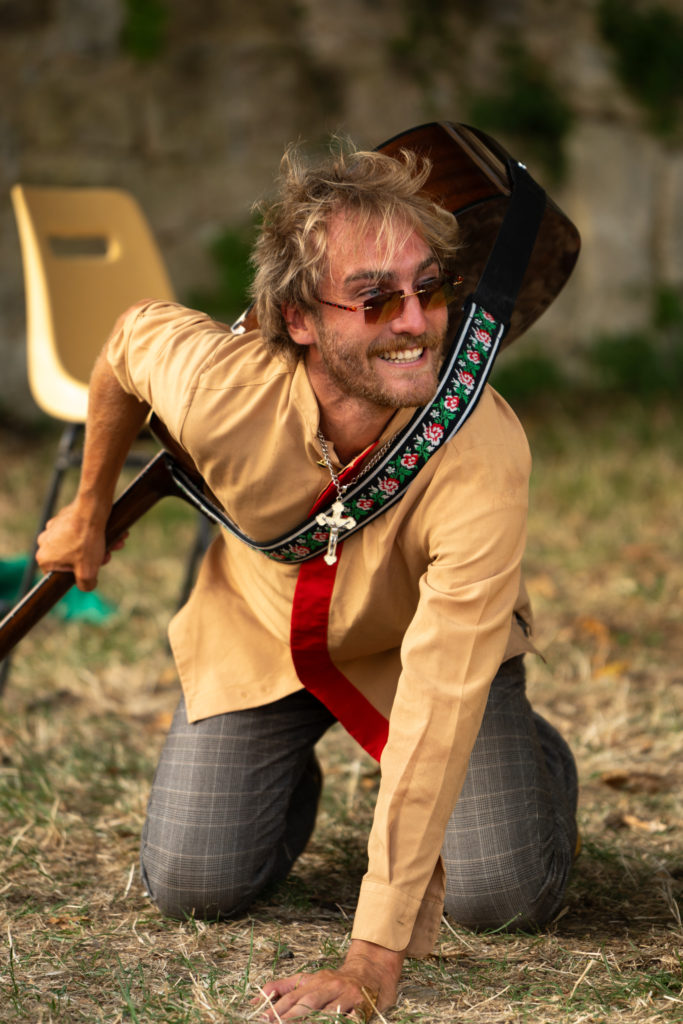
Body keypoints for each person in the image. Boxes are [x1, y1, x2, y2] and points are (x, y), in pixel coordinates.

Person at [36, 137, 578, 1021]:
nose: (413, 321)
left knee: (501, 894)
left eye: (429, 288)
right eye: (373, 299)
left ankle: (527, 754)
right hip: (262, 633)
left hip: (418, 651)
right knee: (191, 885)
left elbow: (440, 699)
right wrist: (89, 505)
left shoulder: (483, 456)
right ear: (298, 318)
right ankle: (286, 769)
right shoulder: (224, 385)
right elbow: (128, 342)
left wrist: (371, 959)